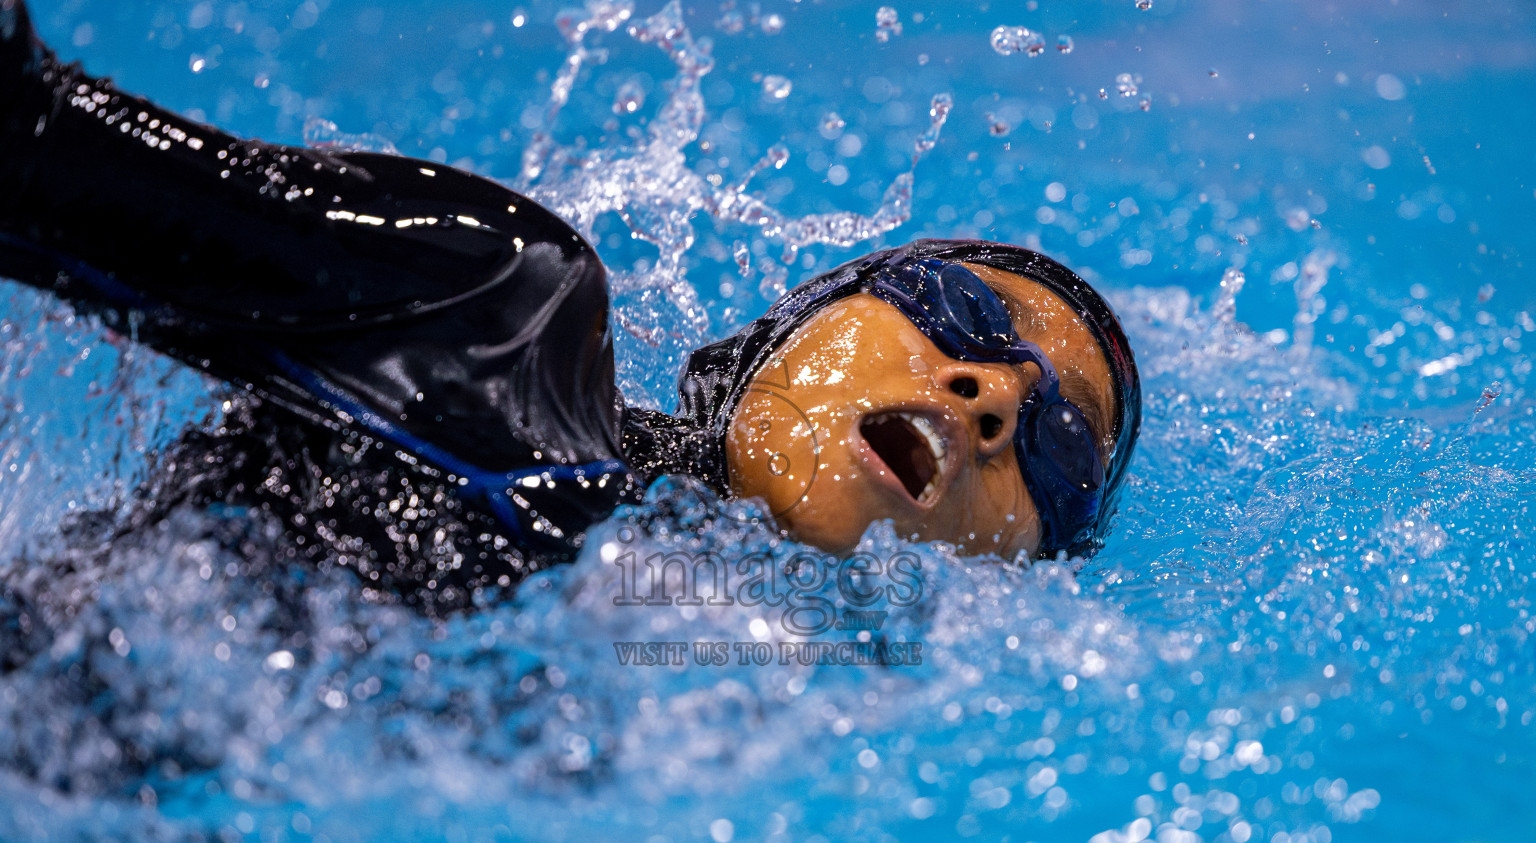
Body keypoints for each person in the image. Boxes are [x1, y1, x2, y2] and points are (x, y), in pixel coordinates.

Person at [0, 0, 1140, 608]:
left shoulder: (762, 719)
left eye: (1059, 441)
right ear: (778, 333)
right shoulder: (491, 330)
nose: (991, 390)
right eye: (955, 312)